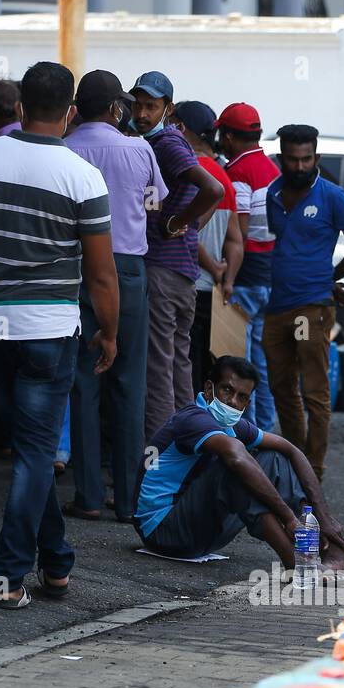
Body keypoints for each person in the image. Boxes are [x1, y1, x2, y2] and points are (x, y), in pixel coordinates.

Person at [0, 61, 119, 609]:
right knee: (34, 452)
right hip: (50, 332)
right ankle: (9, 574)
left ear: (22, 108)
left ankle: (56, 563)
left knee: (30, 449)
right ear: (70, 112)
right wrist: (110, 332)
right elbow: (102, 274)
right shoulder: (82, 176)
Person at [133, 353, 344, 578]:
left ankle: (333, 553)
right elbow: (235, 458)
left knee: (274, 457)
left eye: (242, 397)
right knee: (235, 468)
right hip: (163, 532)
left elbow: (291, 450)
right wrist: (288, 518)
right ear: (209, 389)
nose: (233, 402)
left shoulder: (231, 423)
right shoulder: (193, 419)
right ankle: (298, 563)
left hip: (200, 534)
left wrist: (324, 519)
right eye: (227, 390)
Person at [65, 70, 167, 523]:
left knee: (83, 381)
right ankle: (128, 500)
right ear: (115, 109)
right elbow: (154, 205)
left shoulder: (64, 149)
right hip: (127, 270)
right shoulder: (139, 148)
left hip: (77, 271)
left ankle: (87, 494)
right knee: (129, 382)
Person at [262, 123, 344, 480]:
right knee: (281, 388)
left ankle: (315, 470)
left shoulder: (333, 196)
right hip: (276, 306)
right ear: (282, 158)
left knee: (314, 391)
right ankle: (298, 462)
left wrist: (330, 279)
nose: (299, 166)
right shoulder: (272, 192)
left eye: (306, 159)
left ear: (317, 158)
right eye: (292, 159)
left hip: (312, 306)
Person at [129, 71, 222, 438]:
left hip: (164, 269)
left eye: (150, 106)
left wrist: (175, 223)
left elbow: (212, 189)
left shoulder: (167, 143)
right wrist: (190, 224)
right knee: (178, 365)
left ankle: (157, 459)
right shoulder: (158, 141)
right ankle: (188, 449)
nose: (141, 113)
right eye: (137, 105)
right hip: (180, 269)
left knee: (158, 367)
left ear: (168, 109)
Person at [168, 100, 243, 392]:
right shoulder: (224, 177)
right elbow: (235, 239)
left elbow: (185, 229)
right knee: (204, 367)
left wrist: (212, 267)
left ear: (180, 127)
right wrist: (227, 278)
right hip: (211, 292)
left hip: (184, 283)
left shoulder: (187, 170)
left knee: (181, 366)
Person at [217, 102, 280, 430]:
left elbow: (238, 233)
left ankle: (249, 436)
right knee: (264, 363)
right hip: (271, 276)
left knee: (243, 365)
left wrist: (227, 274)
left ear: (227, 136)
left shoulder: (239, 172)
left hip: (247, 278)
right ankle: (266, 432)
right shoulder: (272, 168)